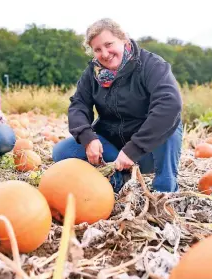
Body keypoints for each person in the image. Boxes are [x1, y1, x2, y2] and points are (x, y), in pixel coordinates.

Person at [52, 18, 183, 193]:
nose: (104, 54)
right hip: (112, 144)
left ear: (124, 40)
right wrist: (88, 137)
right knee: (62, 152)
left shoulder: (151, 65)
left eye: (109, 44)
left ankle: (164, 191)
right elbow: (78, 105)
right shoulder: (92, 73)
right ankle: (118, 180)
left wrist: (134, 149)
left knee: (169, 124)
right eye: (97, 49)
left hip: (147, 146)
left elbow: (169, 104)